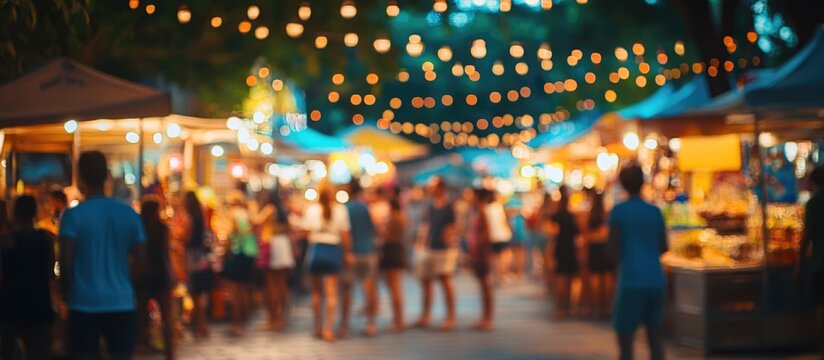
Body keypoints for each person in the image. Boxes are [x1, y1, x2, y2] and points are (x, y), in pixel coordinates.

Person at [58, 151, 147, 360]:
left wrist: (67, 292)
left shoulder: (72, 216)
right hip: (121, 302)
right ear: (107, 176)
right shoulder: (129, 214)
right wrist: (126, 284)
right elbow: (142, 261)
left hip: (83, 303)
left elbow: (66, 261)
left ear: (79, 177)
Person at [609, 165, 667, 360]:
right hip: (656, 279)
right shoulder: (655, 211)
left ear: (622, 184)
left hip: (630, 279)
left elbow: (612, 249)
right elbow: (664, 245)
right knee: (655, 337)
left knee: (625, 341)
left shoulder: (618, 211)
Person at [0, 195, 56, 360]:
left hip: (9, 306)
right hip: (39, 306)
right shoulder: (46, 240)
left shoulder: (5, 240)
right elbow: (50, 274)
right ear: (35, 213)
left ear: (14, 213)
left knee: (6, 353)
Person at [303, 184, 352, 342]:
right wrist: (348, 252)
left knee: (316, 292)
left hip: (316, 250)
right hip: (333, 250)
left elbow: (307, 232)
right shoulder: (341, 210)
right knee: (331, 293)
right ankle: (328, 328)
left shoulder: (312, 210)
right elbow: (345, 234)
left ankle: (317, 326)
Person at [415, 177, 458, 331]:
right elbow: (426, 226)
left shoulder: (449, 205)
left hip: (444, 250)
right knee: (426, 281)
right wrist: (421, 244)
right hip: (430, 247)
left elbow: (454, 226)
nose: (430, 189)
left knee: (445, 281)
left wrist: (449, 237)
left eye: (433, 186)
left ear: (441, 187)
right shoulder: (429, 205)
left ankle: (450, 317)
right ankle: (425, 316)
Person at [136, 196, 175, 359]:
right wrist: (171, 274)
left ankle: (138, 349)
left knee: (140, 318)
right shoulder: (162, 228)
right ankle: (170, 354)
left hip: (143, 276)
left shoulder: (139, 227)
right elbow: (166, 254)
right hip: (160, 274)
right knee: (167, 318)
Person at [340, 180, 379, 337]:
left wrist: (347, 251)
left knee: (347, 290)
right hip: (368, 252)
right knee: (369, 288)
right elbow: (375, 228)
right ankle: (370, 323)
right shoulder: (366, 207)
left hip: (351, 254)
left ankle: (344, 325)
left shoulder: (345, 209)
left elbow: (344, 233)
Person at [254, 189, 294, 331]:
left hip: (273, 246)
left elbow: (256, 221)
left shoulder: (269, 208)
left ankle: (274, 318)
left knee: (272, 285)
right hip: (283, 245)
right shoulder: (282, 210)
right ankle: (282, 316)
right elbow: (290, 228)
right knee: (282, 284)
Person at [223, 190, 259, 336]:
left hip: (237, 253)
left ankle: (236, 323)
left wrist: (227, 246)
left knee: (234, 291)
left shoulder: (233, 214)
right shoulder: (247, 214)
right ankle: (244, 319)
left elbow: (231, 234)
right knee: (244, 289)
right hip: (249, 254)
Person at [799, 166, 824, 357]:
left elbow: (805, 238)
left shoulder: (813, 204)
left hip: (819, 263)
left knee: (820, 307)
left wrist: (798, 266)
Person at [183, 191, 214, 338]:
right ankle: (201, 324)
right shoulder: (200, 216)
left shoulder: (190, 217)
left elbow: (187, 237)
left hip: (193, 257)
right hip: (200, 255)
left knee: (195, 291)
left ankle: (200, 324)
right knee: (199, 292)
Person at [547, 187, 579, 318]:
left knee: (561, 278)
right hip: (571, 248)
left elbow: (553, 234)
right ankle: (568, 306)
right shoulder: (572, 216)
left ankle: (561, 307)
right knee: (570, 278)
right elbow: (577, 234)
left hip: (560, 248)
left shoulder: (556, 216)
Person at [379, 198, 407, 332]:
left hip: (392, 252)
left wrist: (381, 226)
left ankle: (398, 320)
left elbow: (386, 236)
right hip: (397, 251)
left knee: (394, 287)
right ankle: (398, 319)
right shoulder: (402, 218)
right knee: (395, 287)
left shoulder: (394, 219)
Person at [586, 191, 615, 319]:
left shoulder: (590, 215)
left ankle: (597, 306)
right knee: (607, 279)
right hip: (605, 249)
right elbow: (608, 233)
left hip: (594, 250)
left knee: (596, 279)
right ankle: (607, 306)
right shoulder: (606, 214)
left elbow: (586, 235)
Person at [468, 188, 494, 331]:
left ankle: (487, 318)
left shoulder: (483, 211)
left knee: (485, 285)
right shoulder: (479, 211)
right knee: (483, 285)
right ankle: (485, 317)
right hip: (479, 252)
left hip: (482, 253)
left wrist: (477, 247)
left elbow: (487, 233)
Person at [485, 191, 513, 283]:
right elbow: (504, 220)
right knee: (503, 255)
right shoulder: (499, 206)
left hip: (492, 236)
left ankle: (495, 275)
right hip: (502, 235)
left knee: (494, 256)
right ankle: (502, 274)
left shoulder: (486, 208)